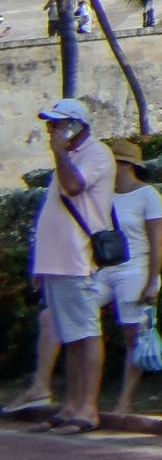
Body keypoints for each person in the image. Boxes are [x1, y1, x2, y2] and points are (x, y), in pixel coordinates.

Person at [17, 98, 122, 429]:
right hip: (58, 264)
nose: (52, 130)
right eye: (50, 124)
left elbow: (75, 187)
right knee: (71, 337)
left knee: (86, 334)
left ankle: (87, 409)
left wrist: (60, 153)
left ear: (77, 125)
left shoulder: (96, 154)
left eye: (58, 124)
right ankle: (71, 406)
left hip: (78, 260)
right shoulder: (68, 159)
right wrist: (41, 266)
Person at [100, 136, 162, 418]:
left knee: (133, 336)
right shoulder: (103, 194)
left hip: (135, 268)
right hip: (104, 269)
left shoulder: (147, 195)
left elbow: (157, 243)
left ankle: (124, 401)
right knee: (78, 316)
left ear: (126, 165)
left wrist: (152, 281)